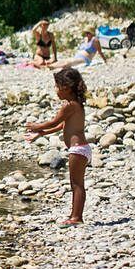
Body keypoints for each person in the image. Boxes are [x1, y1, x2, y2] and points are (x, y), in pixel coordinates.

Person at [24, 68, 90, 225]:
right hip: (82, 149)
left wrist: (35, 126)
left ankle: (76, 217)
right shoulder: (76, 104)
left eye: (56, 86)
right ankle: (75, 216)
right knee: (76, 184)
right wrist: (41, 133)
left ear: (66, 87)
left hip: (78, 149)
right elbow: (61, 126)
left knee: (77, 184)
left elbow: (53, 121)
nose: (55, 90)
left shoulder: (69, 106)